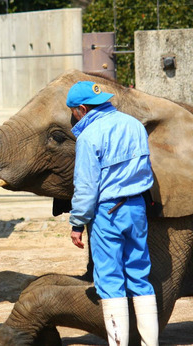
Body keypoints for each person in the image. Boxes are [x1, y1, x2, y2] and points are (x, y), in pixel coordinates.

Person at [66, 81, 159, 346]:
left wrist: (77, 223)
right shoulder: (134, 125)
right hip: (137, 207)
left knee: (109, 280)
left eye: (73, 111)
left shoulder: (88, 137)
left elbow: (86, 187)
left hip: (108, 211)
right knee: (140, 275)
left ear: (81, 109)